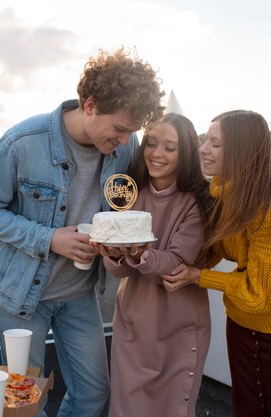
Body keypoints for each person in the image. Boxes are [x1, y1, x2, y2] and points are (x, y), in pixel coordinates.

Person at [0, 47, 164, 417]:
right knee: (23, 400)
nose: (125, 142)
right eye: (120, 129)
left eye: (131, 132)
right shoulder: (21, 142)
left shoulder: (125, 146)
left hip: (80, 294)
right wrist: (51, 238)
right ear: (90, 105)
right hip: (20, 293)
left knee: (93, 393)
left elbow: (132, 207)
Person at [163, 110, 271, 416]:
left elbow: (261, 296)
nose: (203, 149)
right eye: (206, 140)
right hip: (242, 328)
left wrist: (198, 277)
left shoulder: (266, 210)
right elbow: (215, 249)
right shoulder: (227, 195)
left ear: (240, 151)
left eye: (215, 144)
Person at [92, 113, 215, 417]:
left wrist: (138, 253)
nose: (156, 154)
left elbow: (175, 260)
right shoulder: (129, 195)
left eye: (169, 148)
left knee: (171, 408)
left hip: (180, 322)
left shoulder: (198, 201)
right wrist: (116, 254)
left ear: (185, 152)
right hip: (133, 320)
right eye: (152, 143)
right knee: (126, 406)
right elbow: (118, 269)